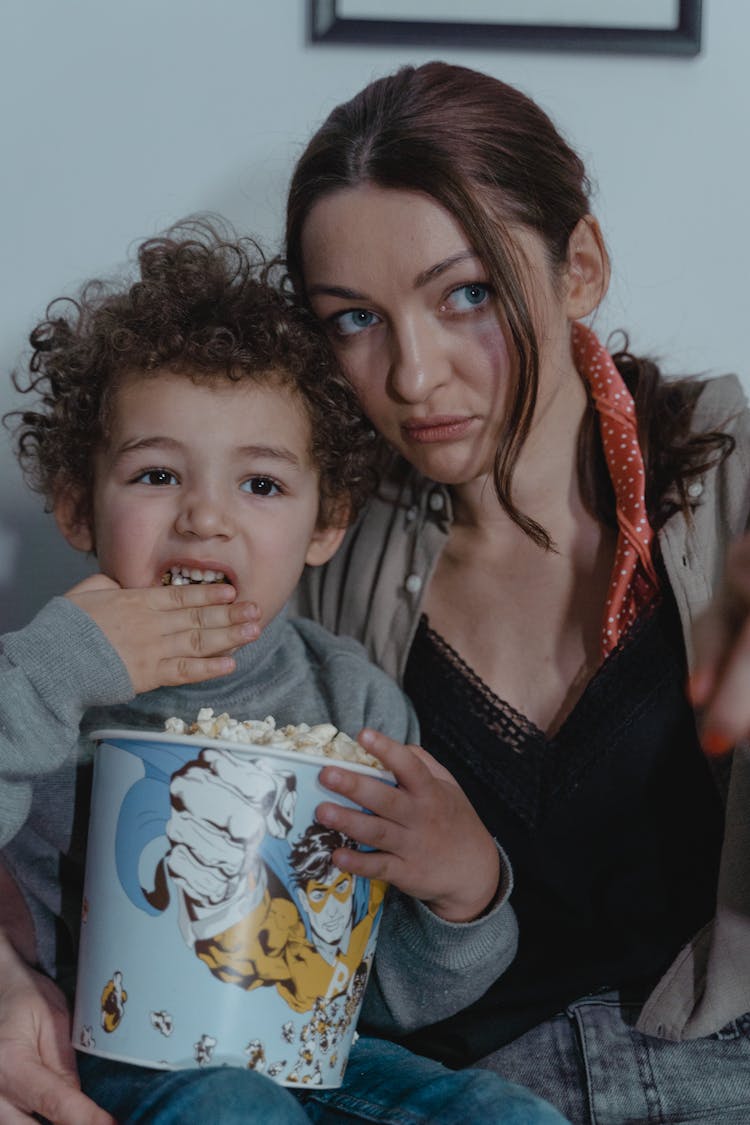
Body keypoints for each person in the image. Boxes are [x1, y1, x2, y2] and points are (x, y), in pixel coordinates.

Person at [0, 224, 568, 1124]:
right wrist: (52, 669)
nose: (206, 519)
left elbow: (374, 991)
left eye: (260, 485)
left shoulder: (354, 701)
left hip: (331, 1056)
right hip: (118, 1054)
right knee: (232, 1106)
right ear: (77, 502)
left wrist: (464, 891)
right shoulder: (40, 674)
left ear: (326, 523)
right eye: (156, 474)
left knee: (506, 1112)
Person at [282, 61, 750, 1123]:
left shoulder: (734, 487)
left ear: (578, 265)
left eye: (467, 295)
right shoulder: (307, 537)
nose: (413, 376)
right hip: (444, 1094)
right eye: (354, 318)